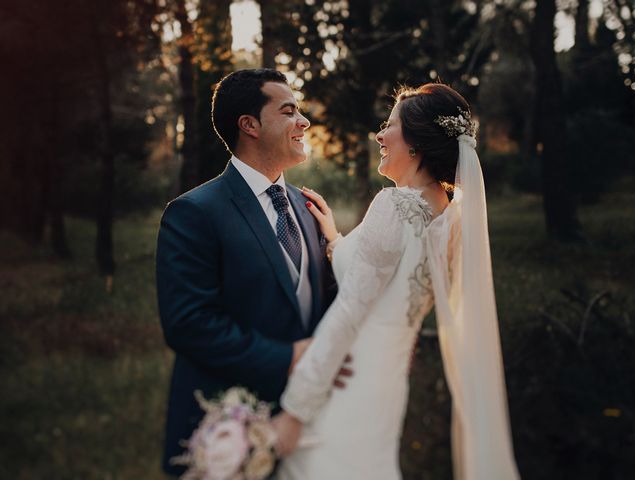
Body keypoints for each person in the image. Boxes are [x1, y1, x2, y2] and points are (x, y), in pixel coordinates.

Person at [271, 83, 521, 480]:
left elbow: (351, 310)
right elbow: (390, 284)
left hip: (347, 380)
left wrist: (295, 409)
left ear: (417, 143)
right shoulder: (452, 221)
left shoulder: (394, 205)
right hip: (387, 386)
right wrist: (336, 240)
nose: (379, 135)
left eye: (389, 126)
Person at [155, 68, 342, 477]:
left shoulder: (308, 207)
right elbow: (189, 324)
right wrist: (287, 357)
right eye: (289, 111)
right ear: (249, 125)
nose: (303, 122)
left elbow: (324, 303)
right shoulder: (194, 213)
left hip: (305, 424)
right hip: (226, 428)